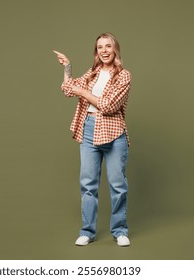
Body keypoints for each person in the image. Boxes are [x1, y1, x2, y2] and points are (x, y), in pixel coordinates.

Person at [53, 32, 132, 247]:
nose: (104, 50)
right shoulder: (93, 72)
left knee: (118, 185)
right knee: (88, 184)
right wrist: (67, 68)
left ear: (115, 49)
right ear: (96, 51)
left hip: (113, 133)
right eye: (100, 47)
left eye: (108, 46)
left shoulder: (124, 75)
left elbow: (109, 105)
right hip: (89, 129)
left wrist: (82, 91)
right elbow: (68, 90)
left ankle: (120, 230)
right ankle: (87, 231)